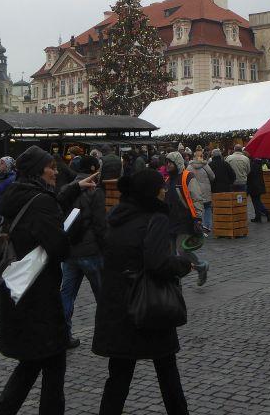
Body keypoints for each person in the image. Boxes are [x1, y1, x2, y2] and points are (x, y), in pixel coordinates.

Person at [0, 146, 95, 415]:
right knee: (46, 365)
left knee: (34, 364)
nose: (56, 171)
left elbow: (45, 206)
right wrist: (75, 228)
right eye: (51, 167)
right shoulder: (41, 202)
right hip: (39, 298)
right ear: (38, 170)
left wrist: (73, 187)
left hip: (19, 291)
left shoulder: (19, 195)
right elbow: (58, 247)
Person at [93, 169, 194, 415]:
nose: (163, 190)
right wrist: (183, 263)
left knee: (118, 378)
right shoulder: (156, 218)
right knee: (168, 374)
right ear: (151, 191)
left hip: (119, 308)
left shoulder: (116, 218)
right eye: (160, 186)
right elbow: (157, 262)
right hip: (149, 307)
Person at [60, 153, 105, 350]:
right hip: (91, 251)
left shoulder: (66, 189)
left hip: (70, 251)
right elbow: (100, 225)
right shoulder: (95, 192)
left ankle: (63, 334)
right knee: (102, 295)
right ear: (94, 171)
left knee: (67, 294)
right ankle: (105, 335)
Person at [164, 158, 209, 286]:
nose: (168, 165)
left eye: (170, 163)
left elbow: (196, 197)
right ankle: (174, 281)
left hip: (185, 219)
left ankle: (201, 266)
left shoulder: (187, 177)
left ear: (177, 163)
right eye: (166, 163)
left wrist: (198, 217)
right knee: (170, 254)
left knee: (182, 250)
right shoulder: (168, 180)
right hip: (170, 221)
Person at [186, 150, 215, 231]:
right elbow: (212, 176)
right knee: (207, 207)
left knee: (197, 208)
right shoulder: (206, 166)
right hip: (206, 190)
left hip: (194, 191)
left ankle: (199, 225)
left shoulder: (189, 167)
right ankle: (207, 225)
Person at [246, 154, 270, 224]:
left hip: (254, 186)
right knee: (256, 201)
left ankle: (267, 212)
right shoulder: (258, 163)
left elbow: (250, 175)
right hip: (258, 185)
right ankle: (258, 216)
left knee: (256, 202)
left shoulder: (253, 165)